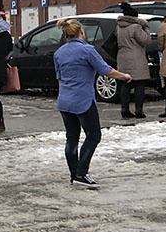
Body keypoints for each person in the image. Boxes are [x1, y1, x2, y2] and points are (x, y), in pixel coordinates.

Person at [54, 18, 132, 188]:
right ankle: (82, 173)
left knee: (71, 138)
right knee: (94, 135)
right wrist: (124, 76)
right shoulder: (87, 50)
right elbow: (106, 71)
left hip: (65, 101)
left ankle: (74, 173)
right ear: (81, 31)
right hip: (83, 100)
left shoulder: (59, 52)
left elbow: (60, 79)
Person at [116, 2, 151, 119]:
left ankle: (124, 109)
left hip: (122, 58)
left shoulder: (119, 27)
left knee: (125, 84)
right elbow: (145, 40)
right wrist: (146, 28)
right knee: (139, 84)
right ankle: (138, 111)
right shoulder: (136, 27)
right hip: (136, 58)